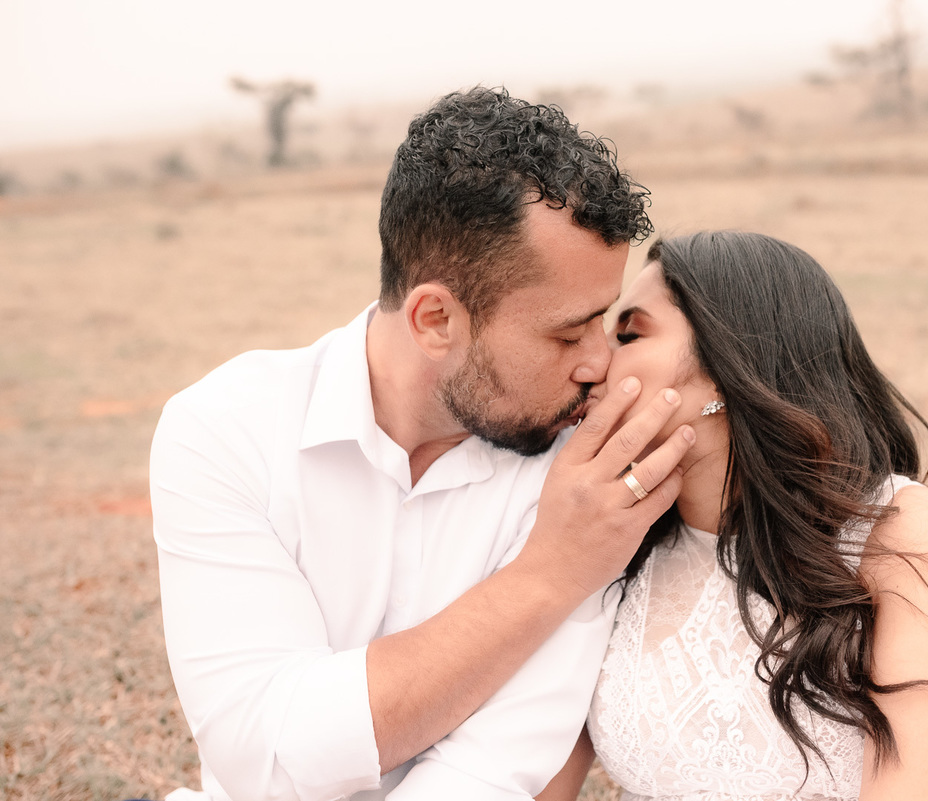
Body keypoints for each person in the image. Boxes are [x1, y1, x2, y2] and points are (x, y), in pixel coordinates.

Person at [149, 88, 695, 801]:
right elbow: (266, 754)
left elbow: (495, 773)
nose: (599, 363)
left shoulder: (586, 474)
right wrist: (548, 574)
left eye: (605, 321)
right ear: (436, 319)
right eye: (567, 334)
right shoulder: (225, 429)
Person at [539, 231, 928, 801]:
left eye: (629, 334)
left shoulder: (905, 537)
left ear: (726, 364)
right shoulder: (611, 536)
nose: (594, 362)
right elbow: (534, 777)